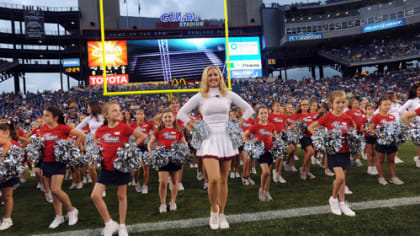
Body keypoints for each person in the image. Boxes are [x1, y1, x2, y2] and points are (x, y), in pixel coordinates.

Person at [177, 66, 254, 230]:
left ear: (220, 77)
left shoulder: (229, 95)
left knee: (224, 180)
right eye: (210, 75)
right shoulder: (200, 96)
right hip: (209, 139)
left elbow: (249, 109)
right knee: (214, 179)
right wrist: (193, 126)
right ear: (206, 78)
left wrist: (237, 123)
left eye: (216, 75)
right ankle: (213, 210)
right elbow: (181, 113)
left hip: (226, 139)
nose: (213, 77)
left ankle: (222, 213)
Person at [91, 101, 146, 236]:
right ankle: (109, 223)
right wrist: (98, 150)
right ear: (106, 115)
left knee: (121, 196)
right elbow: (94, 139)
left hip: (121, 167)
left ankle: (122, 226)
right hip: (106, 167)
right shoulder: (101, 129)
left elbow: (142, 136)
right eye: (114, 110)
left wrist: (129, 149)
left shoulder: (124, 127)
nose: (118, 112)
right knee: (95, 196)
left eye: (119, 110)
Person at [308, 90, 356, 217]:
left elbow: (353, 128)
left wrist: (352, 138)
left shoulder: (347, 117)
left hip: (345, 151)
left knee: (343, 179)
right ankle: (333, 199)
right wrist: (322, 139)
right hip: (333, 151)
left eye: (342, 102)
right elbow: (311, 127)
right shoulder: (327, 116)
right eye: (337, 102)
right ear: (331, 104)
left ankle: (342, 202)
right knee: (339, 177)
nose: (340, 105)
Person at [39, 107, 86, 229]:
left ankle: (71, 211)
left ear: (55, 118)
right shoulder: (42, 129)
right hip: (46, 161)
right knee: (53, 192)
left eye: (47, 115)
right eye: (44, 115)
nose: (44, 117)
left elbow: (81, 135)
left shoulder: (63, 128)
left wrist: (72, 148)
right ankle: (58, 216)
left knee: (56, 189)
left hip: (58, 162)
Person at [147, 109, 187, 213]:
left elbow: (184, 143)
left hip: (175, 159)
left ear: (174, 118)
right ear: (162, 119)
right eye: (165, 117)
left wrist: (183, 152)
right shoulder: (158, 130)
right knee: (163, 182)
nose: (168, 119)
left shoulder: (178, 130)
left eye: (170, 116)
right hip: (162, 159)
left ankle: (173, 202)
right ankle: (163, 203)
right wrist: (152, 154)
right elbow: (149, 144)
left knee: (174, 181)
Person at [244, 105, 275, 201]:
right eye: (261, 113)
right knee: (265, 171)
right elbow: (245, 135)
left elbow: (274, 135)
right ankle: (261, 189)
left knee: (269, 173)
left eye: (265, 113)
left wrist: (276, 141)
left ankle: (267, 191)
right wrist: (249, 145)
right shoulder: (255, 126)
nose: (264, 115)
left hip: (270, 151)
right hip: (261, 152)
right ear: (257, 116)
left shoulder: (271, 125)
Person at [370, 98, 404, 186]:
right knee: (380, 160)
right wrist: (380, 134)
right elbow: (371, 129)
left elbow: (395, 129)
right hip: (381, 142)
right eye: (385, 104)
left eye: (389, 104)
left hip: (392, 143)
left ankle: (393, 177)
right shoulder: (376, 116)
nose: (387, 106)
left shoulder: (392, 117)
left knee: (391, 160)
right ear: (380, 106)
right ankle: (381, 177)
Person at [76, 101, 104, 190]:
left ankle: (102, 185)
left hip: (104, 143)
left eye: (88, 107)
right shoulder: (88, 118)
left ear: (93, 107)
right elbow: (77, 128)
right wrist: (86, 135)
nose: (87, 109)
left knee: (103, 166)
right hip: (92, 144)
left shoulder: (104, 117)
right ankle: (96, 187)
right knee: (91, 167)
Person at [130, 109, 154, 194]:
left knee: (146, 167)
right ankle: (136, 183)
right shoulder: (132, 124)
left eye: (141, 114)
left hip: (146, 147)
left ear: (144, 115)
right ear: (135, 116)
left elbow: (156, 132)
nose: (139, 116)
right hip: (136, 147)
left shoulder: (149, 124)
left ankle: (145, 185)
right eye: (137, 114)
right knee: (137, 168)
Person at [0, 123, 19, 230]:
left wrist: (1, 157)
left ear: (6, 132)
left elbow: (7, 144)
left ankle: (7, 219)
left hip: (7, 171)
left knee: (7, 196)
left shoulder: (12, 143)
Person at [399, 84, 420, 167]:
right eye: (418, 90)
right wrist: (411, 121)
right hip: (417, 124)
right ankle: (418, 160)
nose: (419, 91)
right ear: (414, 91)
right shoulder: (411, 100)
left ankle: (418, 158)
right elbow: (400, 111)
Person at [296, 100, 317, 180]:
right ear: (300, 106)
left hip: (310, 136)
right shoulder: (298, 116)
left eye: (306, 104)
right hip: (303, 137)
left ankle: (307, 172)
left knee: (308, 154)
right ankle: (303, 169)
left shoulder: (311, 115)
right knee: (311, 151)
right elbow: (294, 126)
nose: (305, 106)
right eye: (303, 104)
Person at [268, 101, 287, 183]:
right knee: (277, 156)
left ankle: (278, 174)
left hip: (281, 137)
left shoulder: (283, 116)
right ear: (272, 107)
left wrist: (285, 133)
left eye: (279, 106)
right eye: (276, 106)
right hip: (274, 138)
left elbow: (285, 125)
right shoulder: (270, 116)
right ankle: (275, 172)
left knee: (281, 157)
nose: (278, 107)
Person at [363, 104, 378, 175]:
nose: (370, 111)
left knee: (374, 152)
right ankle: (369, 167)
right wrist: (366, 129)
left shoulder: (375, 118)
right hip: (367, 136)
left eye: (372, 109)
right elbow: (361, 128)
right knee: (369, 152)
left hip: (375, 136)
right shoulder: (364, 118)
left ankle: (374, 166)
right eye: (368, 109)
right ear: (365, 110)